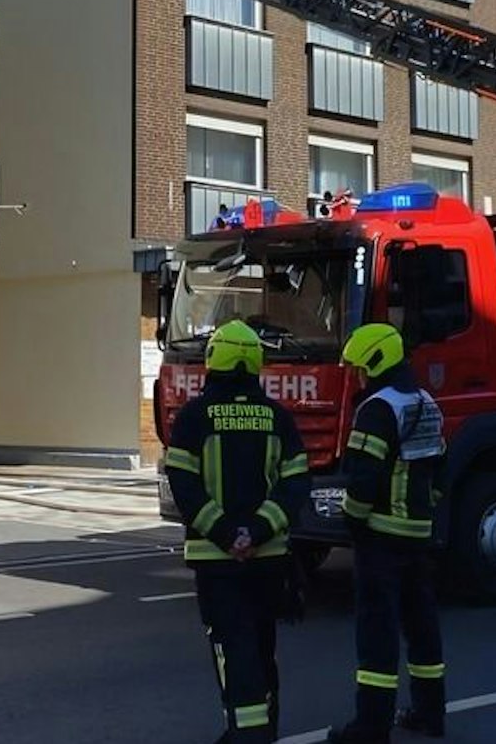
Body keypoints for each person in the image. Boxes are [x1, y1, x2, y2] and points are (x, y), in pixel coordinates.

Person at [164, 319, 311, 744]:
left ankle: (248, 735)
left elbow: (185, 486)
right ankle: (266, 729)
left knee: (233, 648)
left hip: (218, 560)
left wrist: (228, 534)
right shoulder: (277, 417)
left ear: (216, 359)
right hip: (269, 557)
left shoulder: (194, 417)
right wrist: (260, 530)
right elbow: (295, 482)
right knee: (264, 648)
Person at [326, 323, 447, 744]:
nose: (358, 376)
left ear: (375, 362)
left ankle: (371, 727)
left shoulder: (377, 408)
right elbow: (438, 470)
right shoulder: (426, 402)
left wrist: (351, 520)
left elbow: (365, 478)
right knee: (422, 627)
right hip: (418, 534)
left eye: (360, 368)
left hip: (381, 536)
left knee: (377, 635)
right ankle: (431, 713)